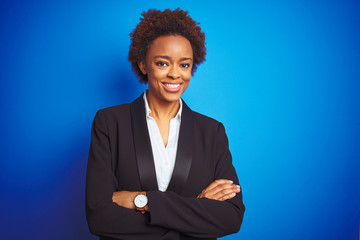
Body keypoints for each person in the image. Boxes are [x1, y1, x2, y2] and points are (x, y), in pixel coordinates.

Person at [86, 8, 245, 240]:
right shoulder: (110, 123)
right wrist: (194, 209)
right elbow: (99, 216)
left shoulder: (212, 132)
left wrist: (142, 201)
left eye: (184, 65)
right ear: (143, 64)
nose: (174, 74)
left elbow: (231, 216)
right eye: (162, 63)